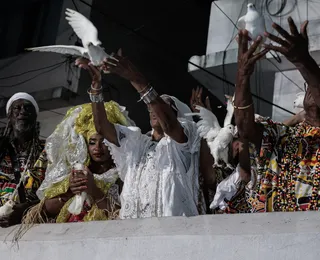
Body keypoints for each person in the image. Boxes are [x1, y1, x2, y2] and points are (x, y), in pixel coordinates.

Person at [78, 50, 206, 219]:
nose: (153, 108)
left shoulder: (183, 142)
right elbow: (102, 127)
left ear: (177, 117)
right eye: (150, 105)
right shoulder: (136, 142)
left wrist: (136, 79)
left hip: (173, 234)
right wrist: (96, 87)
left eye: (164, 107)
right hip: (134, 233)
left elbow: (168, 124)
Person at [230, 17, 320, 212]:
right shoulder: (284, 136)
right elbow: (245, 128)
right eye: (309, 88)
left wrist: (303, 62)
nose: (312, 91)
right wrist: (242, 75)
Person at [22, 102, 133, 224]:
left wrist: (94, 191)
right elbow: (45, 210)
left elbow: (124, 218)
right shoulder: (77, 173)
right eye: (92, 142)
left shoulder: (123, 175)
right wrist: (70, 191)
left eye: (104, 142)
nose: (98, 148)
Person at [0, 93, 47, 228]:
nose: (22, 112)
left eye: (28, 108)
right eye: (17, 108)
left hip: (33, 225)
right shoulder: (1, 149)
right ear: (9, 116)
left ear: (35, 117)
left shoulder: (48, 149)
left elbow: (55, 193)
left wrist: (25, 211)